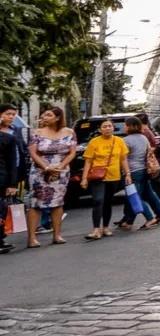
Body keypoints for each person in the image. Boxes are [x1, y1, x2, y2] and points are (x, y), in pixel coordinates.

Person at [26, 107, 76, 247]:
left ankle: (57, 235)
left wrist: (60, 166)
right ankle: (32, 238)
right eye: (44, 115)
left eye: (49, 115)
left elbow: (72, 152)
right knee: (35, 203)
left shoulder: (69, 132)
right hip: (40, 171)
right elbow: (33, 153)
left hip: (61, 171)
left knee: (58, 202)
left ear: (58, 117)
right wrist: (46, 167)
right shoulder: (37, 133)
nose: (45, 117)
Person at [80, 120, 130, 241]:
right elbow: (88, 161)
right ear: (100, 129)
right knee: (98, 200)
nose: (107, 128)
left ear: (113, 128)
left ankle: (106, 227)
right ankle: (96, 228)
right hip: (98, 176)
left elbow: (123, 159)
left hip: (114, 176)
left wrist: (128, 174)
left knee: (107, 202)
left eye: (109, 126)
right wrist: (84, 178)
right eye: (104, 126)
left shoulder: (119, 141)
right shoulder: (94, 142)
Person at [119, 117, 160, 231]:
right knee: (149, 194)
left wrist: (127, 173)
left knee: (134, 196)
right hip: (144, 170)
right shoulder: (143, 138)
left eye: (126, 125)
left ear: (131, 126)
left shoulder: (126, 140)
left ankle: (149, 218)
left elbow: (123, 158)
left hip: (133, 171)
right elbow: (149, 152)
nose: (124, 127)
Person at [0, 104, 22, 254]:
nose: (12, 117)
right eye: (8, 114)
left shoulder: (9, 138)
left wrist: (13, 184)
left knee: (2, 209)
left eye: (14, 114)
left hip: (2, 179)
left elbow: (12, 163)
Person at [136, 113, 160, 205]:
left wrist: (144, 154)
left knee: (142, 192)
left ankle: (159, 211)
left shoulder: (145, 132)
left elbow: (153, 146)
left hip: (147, 164)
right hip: (149, 163)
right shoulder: (148, 131)